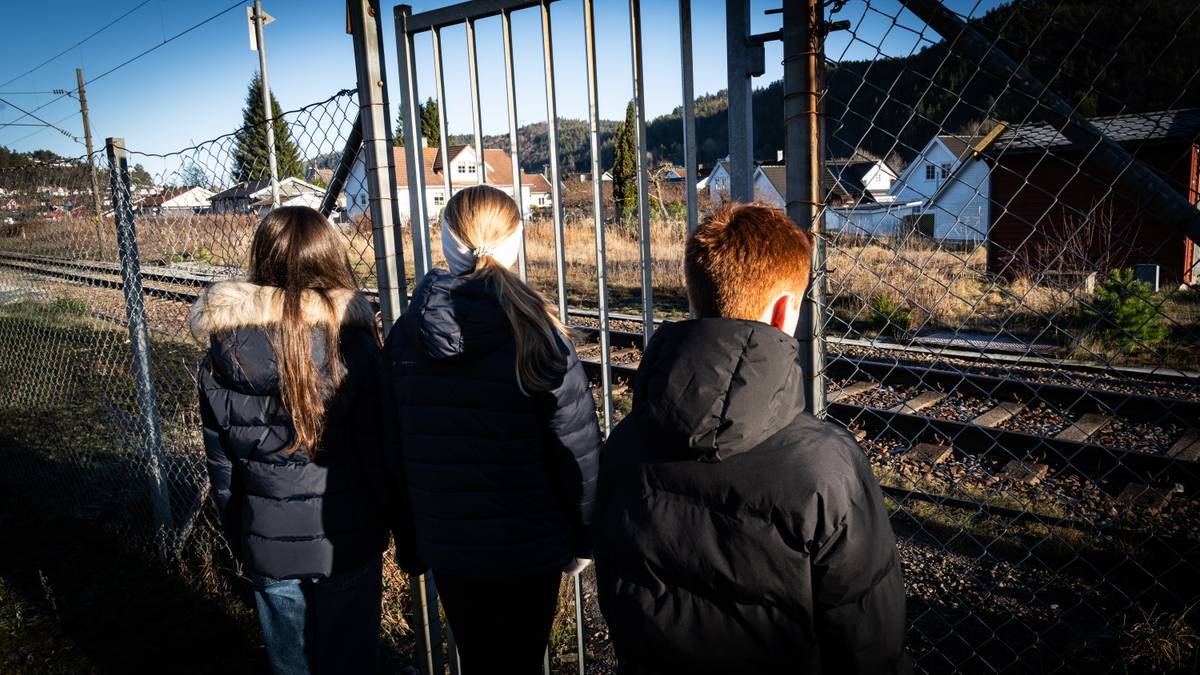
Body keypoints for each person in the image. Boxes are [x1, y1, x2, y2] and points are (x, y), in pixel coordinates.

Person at [593, 203, 910, 674]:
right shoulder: (826, 469)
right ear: (787, 310)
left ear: (695, 296)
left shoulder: (621, 445)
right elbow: (870, 644)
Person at [382, 185, 601, 673]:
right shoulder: (539, 334)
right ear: (516, 243)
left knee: (479, 660)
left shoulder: (405, 335)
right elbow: (579, 451)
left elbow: (393, 451)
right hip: (533, 546)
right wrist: (584, 542)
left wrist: (413, 541)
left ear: (444, 243)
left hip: (451, 545)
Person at [192, 206, 394, 675]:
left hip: (269, 546)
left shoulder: (222, 355)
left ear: (262, 262)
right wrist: (389, 527)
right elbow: (381, 456)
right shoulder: (358, 348)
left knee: (290, 667)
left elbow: (222, 472)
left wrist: (244, 539)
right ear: (331, 260)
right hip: (347, 540)